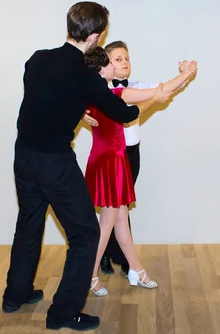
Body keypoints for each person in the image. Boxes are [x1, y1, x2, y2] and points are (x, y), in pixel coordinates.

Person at [2, 2, 140, 332]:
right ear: (96, 36)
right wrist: (145, 102)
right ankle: (63, 312)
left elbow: (44, 96)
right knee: (85, 234)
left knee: (29, 223)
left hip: (24, 156)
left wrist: (75, 109)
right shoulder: (86, 77)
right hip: (54, 163)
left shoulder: (37, 59)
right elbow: (123, 114)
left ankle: (15, 294)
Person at [83, 47, 197, 296]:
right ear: (101, 69)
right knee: (106, 223)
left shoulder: (89, 94)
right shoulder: (115, 94)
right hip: (111, 162)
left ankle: (136, 269)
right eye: (112, 62)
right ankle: (89, 275)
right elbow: (160, 91)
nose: (117, 65)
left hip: (106, 159)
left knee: (121, 219)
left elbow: (160, 90)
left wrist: (79, 113)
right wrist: (186, 74)